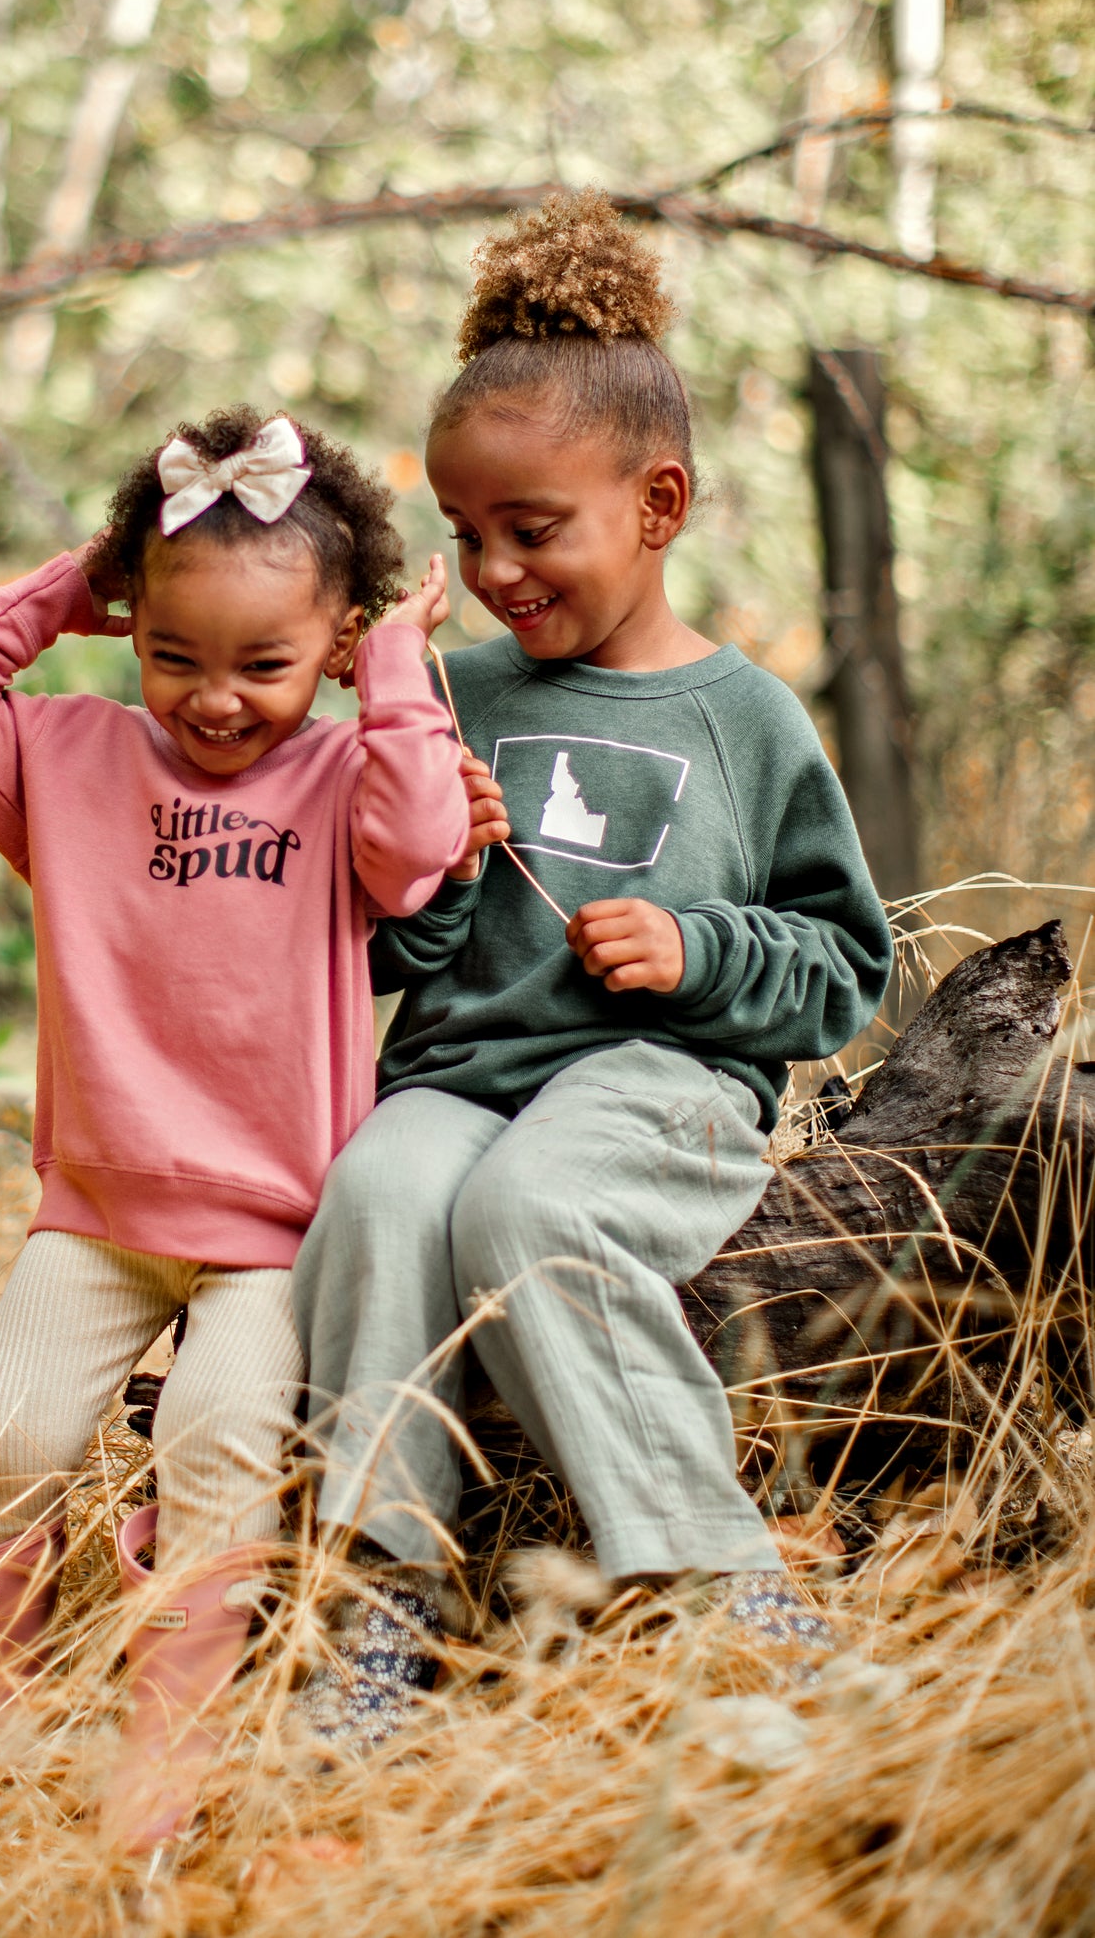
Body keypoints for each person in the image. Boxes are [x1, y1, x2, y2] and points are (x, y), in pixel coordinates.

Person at [291, 192, 895, 1748]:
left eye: (533, 528)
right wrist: (427, 853)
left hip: (657, 1089)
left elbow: (841, 967)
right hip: (460, 1079)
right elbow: (392, 952)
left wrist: (697, 947)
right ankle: (378, 1594)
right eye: (468, 532)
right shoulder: (449, 691)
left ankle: (718, 1583)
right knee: (377, 1192)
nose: (493, 569)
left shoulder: (742, 720)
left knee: (527, 1207)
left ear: (658, 501)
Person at [0, 406, 469, 1833]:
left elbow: (418, 855)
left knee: (217, 1447)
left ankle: (175, 1727)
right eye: (173, 655)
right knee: (11, 1440)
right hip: (92, 1210)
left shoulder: (343, 778)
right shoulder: (71, 763)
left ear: (330, 648)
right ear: (129, 628)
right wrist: (76, 585)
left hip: (275, 1228)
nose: (214, 698)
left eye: (265, 664)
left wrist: (392, 672)